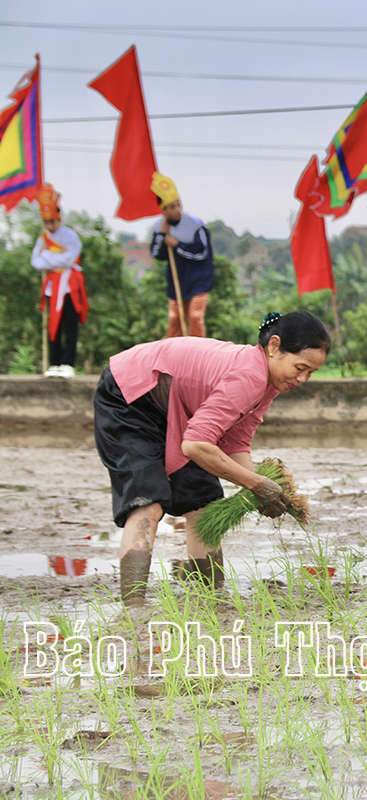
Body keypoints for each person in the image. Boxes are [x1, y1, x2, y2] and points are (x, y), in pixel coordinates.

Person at [93, 311, 330, 607]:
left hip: (180, 409)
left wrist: (258, 488)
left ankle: (211, 597)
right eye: (300, 367)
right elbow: (195, 445)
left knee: (204, 503)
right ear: (274, 346)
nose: (303, 378)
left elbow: (236, 440)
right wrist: (257, 483)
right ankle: (133, 606)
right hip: (131, 396)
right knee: (147, 503)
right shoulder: (249, 375)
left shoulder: (269, 383)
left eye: (311, 372)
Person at [31, 184, 87, 378]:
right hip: (51, 288)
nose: (50, 226)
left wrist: (46, 255)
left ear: (59, 218)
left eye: (53, 221)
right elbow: (35, 262)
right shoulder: (43, 238)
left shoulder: (70, 236)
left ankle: (68, 364)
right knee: (51, 323)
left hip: (69, 286)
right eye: (46, 222)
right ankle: (54, 363)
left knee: (70, 324)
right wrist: (51, 254)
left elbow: (68, 259)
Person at [149, 172, 213, 338]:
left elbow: (202, 253)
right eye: (172, 207)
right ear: (164, 210)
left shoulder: (196, 225)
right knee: (175, 318)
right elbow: (156, 254)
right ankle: (173, 355)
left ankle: (198, 353)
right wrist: (162, 236)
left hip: (199, 280)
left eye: (178, 205)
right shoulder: (160, 227)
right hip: (177, 280)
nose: (177, 210)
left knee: (195, 316)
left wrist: (177, 245)